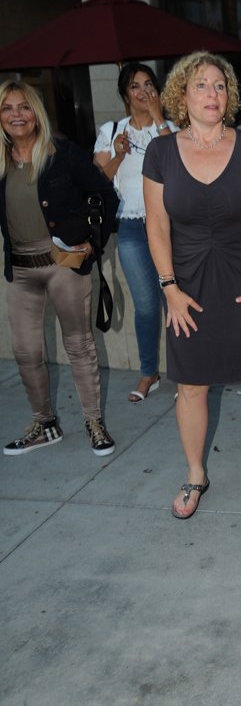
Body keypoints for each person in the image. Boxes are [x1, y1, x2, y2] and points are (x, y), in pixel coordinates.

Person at [143, 51, 241, 520]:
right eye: (201, 85)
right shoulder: (160, 153)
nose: (212, 93)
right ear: (181, 94)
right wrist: (169, 288)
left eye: (220, 85)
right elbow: (156, 225)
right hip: (186, 284)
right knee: (191, 384)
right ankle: (195, 473)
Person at [1, 80, 118, 457]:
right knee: (25, 351)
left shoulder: (62, 153)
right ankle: (45, 424)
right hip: (21, 269)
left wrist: (93, 243)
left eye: (23, 106)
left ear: (36, 113)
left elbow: (105, 195)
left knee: (79, 345)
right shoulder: (1, 161)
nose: (16, 115)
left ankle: (94, 421)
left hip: (63, 262)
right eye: (7, 108)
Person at [94, 62, 176, 403]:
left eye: (148, 84)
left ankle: (188, 375)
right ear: (125, 94)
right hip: (130, 226)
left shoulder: (170, 128)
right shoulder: (111, 131)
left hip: (170, 226)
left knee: (176, 301)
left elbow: (180, 168)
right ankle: (148, 373)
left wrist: (159, 120)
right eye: (135, 86)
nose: (143, 91)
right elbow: (99, 179)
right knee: (146, 306)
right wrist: (118, 153)